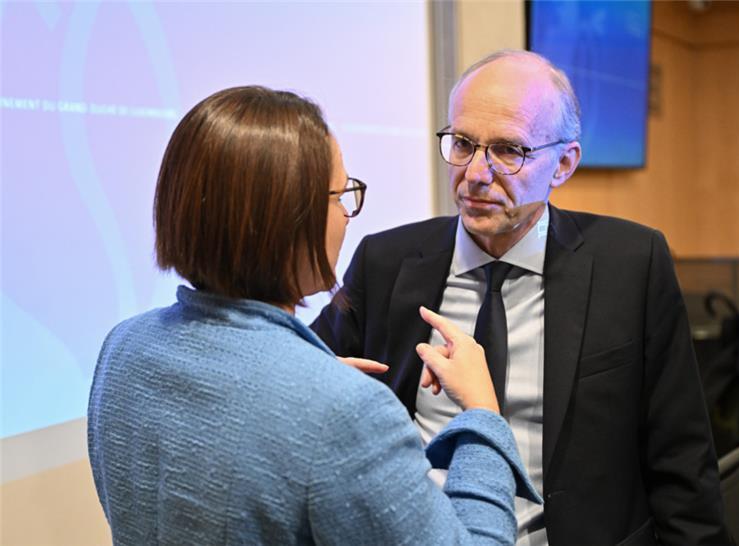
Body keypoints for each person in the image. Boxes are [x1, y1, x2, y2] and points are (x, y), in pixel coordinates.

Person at [87, 86, 541, 545]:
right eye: (340, 195)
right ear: (284, 218)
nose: (347, 215)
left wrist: (311, 393)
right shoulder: (341, 409)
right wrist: (483, 416)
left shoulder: (123, 346)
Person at [312, 50, 729, 545]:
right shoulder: (387, 261)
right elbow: (302, 373)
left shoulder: (632, 264)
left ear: (564, 163)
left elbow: (683, 463)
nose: (476, 174)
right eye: (463, 143)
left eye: (508, 151)